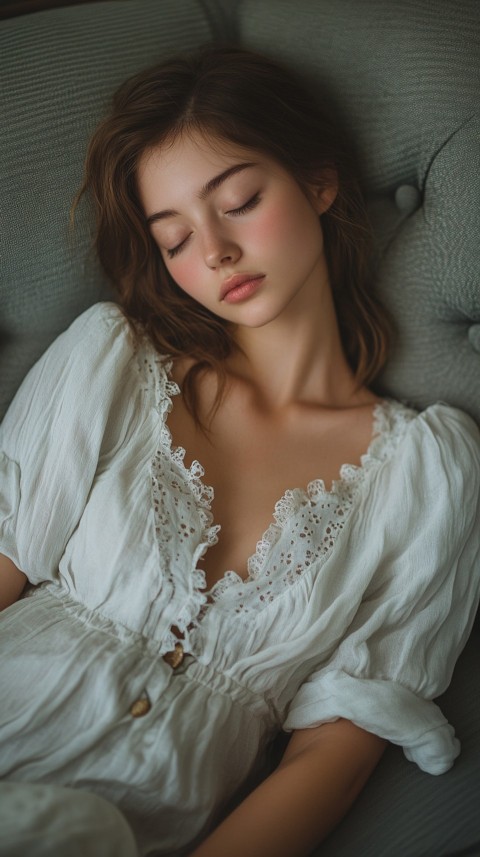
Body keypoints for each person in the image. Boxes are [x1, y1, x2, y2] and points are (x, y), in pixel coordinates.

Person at [0, 46, 479, 857]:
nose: (214, 250)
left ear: (319, 182)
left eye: (241, 200)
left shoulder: (427, 473)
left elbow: (335, 749)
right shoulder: (111, 361)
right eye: (176, 238)